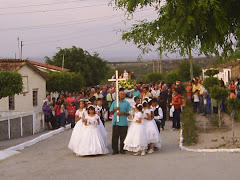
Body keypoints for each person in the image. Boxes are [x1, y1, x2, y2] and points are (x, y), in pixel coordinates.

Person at [110, 88, 131, 155]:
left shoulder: (127, 103)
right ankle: (115, 149)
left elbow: (129, 113)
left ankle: (122, 149)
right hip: (116, 122)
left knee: (123, 136)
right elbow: (111, 111)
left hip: (123, 122)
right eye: (121, 94)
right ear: (118, 95)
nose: (122, 95)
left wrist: (123, 113)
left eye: (123, 94)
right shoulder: (115, 102)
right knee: (115, 136)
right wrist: (115, 109)